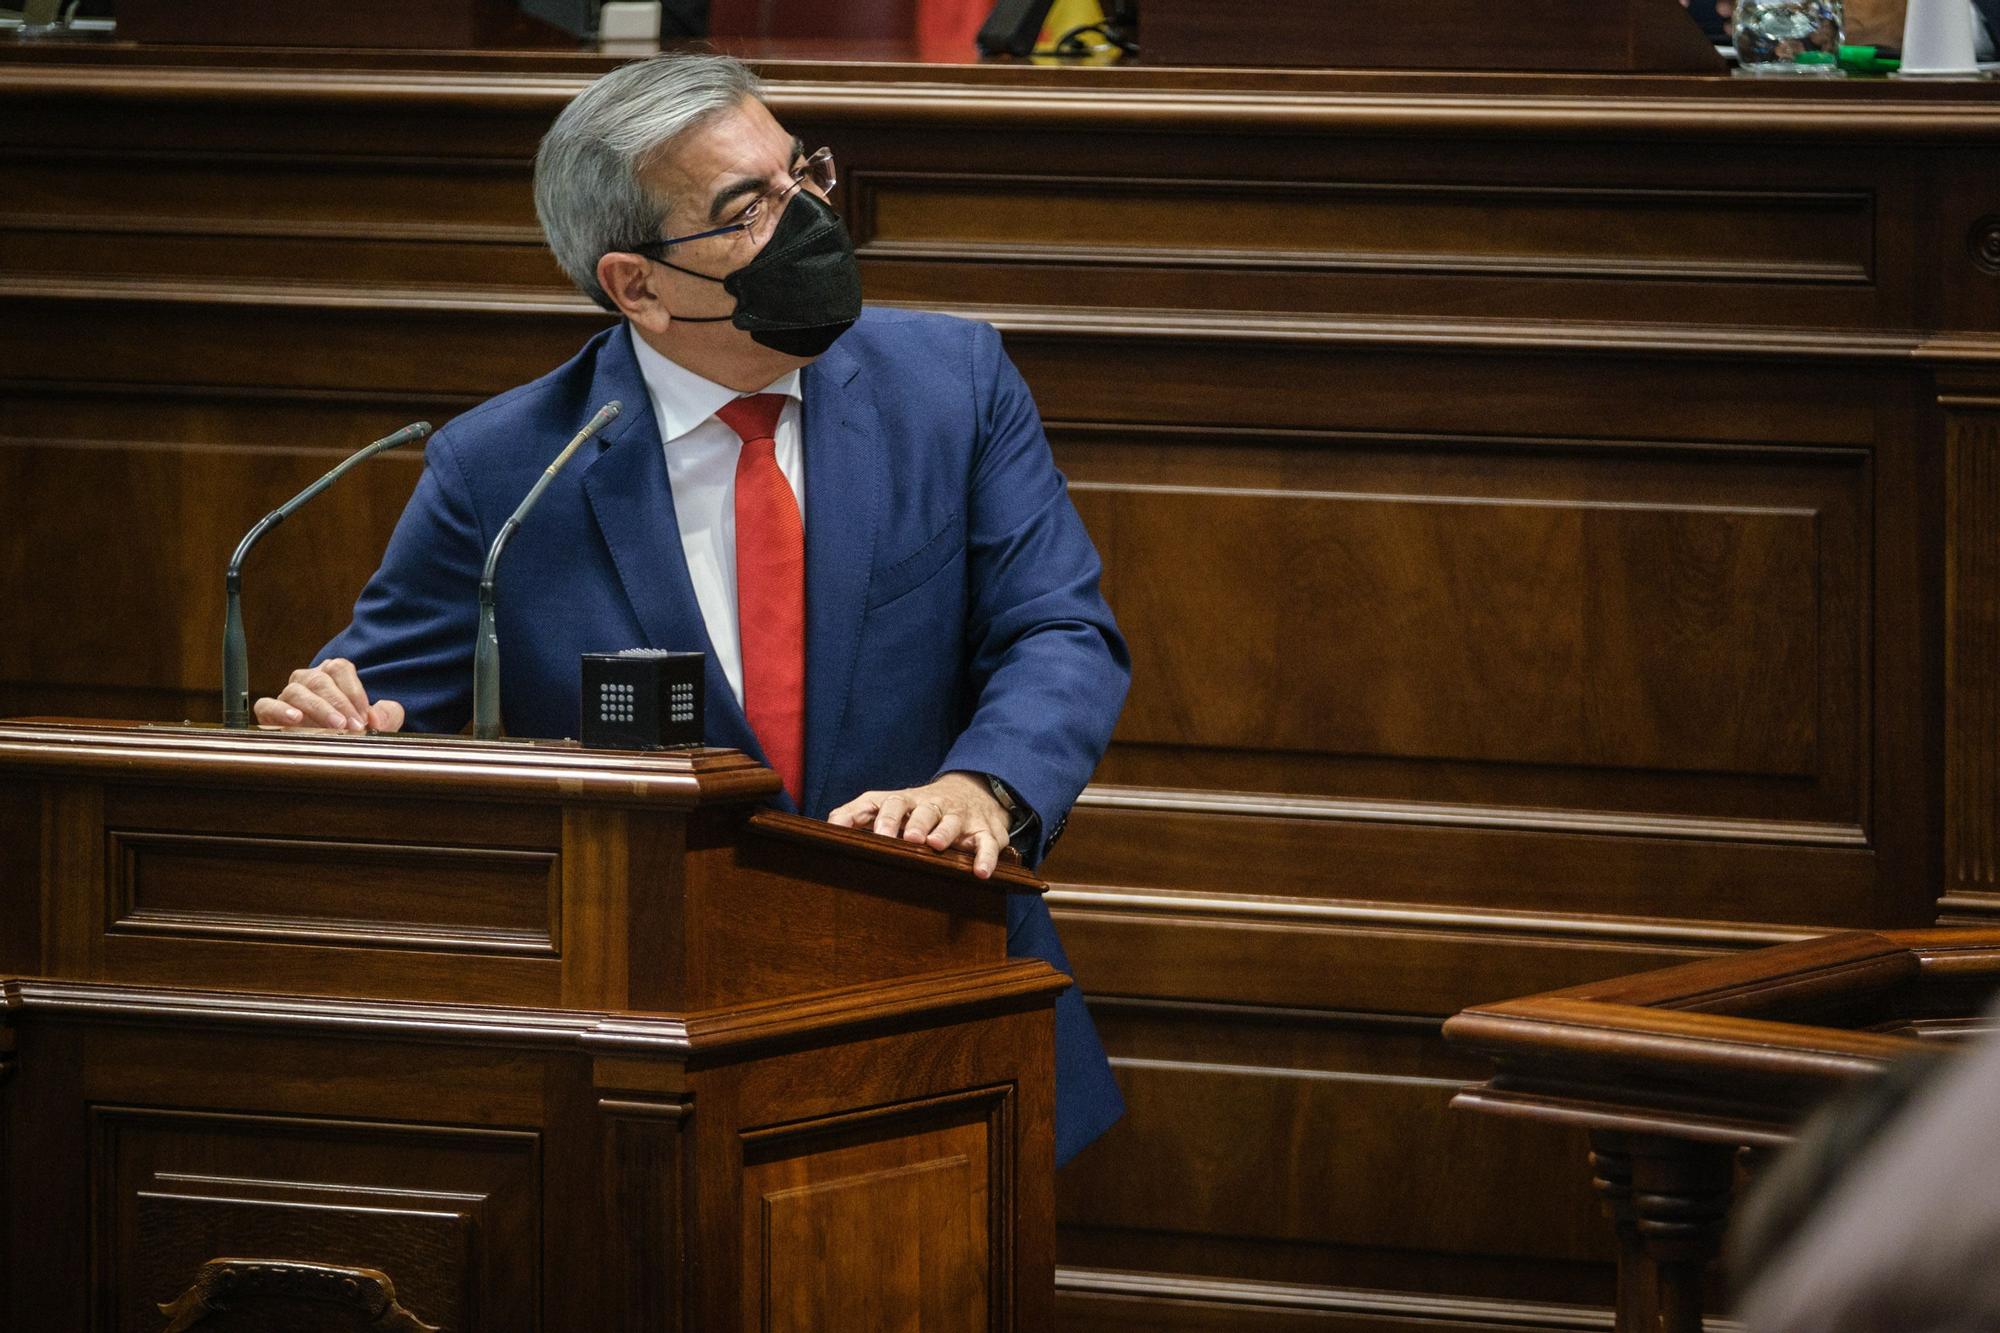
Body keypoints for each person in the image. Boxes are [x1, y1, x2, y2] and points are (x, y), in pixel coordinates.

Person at [250, 52, 1129, 1165]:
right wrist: (337, 738)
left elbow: (1058, 628)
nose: (808, 215)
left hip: (943, 1012)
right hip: (651, 1064)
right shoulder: (504, 470)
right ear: (637, 287)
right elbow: (377, 710)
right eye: (746, 210)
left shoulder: (950, 383)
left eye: (799, 175)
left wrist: (983, 783)